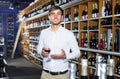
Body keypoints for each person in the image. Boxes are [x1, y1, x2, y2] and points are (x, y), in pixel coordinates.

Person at [37, 6, 80, 79]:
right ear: (49, 17)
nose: (55, 16)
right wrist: (41, 52)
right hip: (45, 74)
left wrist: (65, 56)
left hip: (62, 75)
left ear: (62, 17)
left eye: (58, 14)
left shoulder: (69, 34)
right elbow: (39, 48)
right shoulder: (44, 33)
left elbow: (77, 53)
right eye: (53, 14)